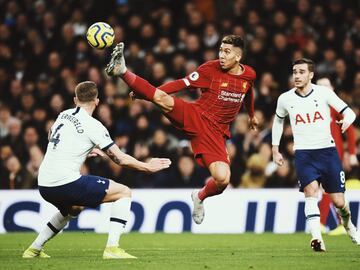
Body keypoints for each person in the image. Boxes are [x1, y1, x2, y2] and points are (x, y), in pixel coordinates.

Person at [105, 35, 258, 224]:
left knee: (223, 179)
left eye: (227, 52)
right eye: (220, 50)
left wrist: (251, 115)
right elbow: (181, 83)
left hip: (215, 133)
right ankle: (123, 71)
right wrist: (148, 95)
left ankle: (199, 197)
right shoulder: (210, 69)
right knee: (161, 98)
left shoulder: (249, 75)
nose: (221, 55)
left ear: (238, 56)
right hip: (196, 115)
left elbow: (248, 91)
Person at [22, 81, 171, 259]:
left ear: (75, 99)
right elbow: (120, 158)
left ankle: (33, 249)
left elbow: (51, 137)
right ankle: (112, 249)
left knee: (75, 208)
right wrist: (147, 166)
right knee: (123, 192)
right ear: (97, 101)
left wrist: (81, 148)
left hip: (44, 184)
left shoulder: (64, 114)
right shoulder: (94, 126)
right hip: (64, 183)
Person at [271, 58, 359, 252]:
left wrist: (347, 122)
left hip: (328, 153)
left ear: (311, 75)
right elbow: (278, 122)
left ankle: (349, 225)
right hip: (304, 154)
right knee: (311, 192)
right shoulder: (285, 99)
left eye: (302, 72)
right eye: (295, 72)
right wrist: (275, 148)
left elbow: (349, 112)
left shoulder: (324, 93)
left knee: (339, 202)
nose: (297, 75)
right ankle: (316, 238)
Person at [316, 78, 358, 236]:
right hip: (318, 152)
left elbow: (350, 129)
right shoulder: (313, 107)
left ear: (332, 88)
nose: (324, 89)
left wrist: (352, 153)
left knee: (329, 188)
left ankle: (322, 222)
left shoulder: (334, 106)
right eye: (320, 86)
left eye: (326, 85)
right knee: (330, 189)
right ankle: (343, 224)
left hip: (333, 152)